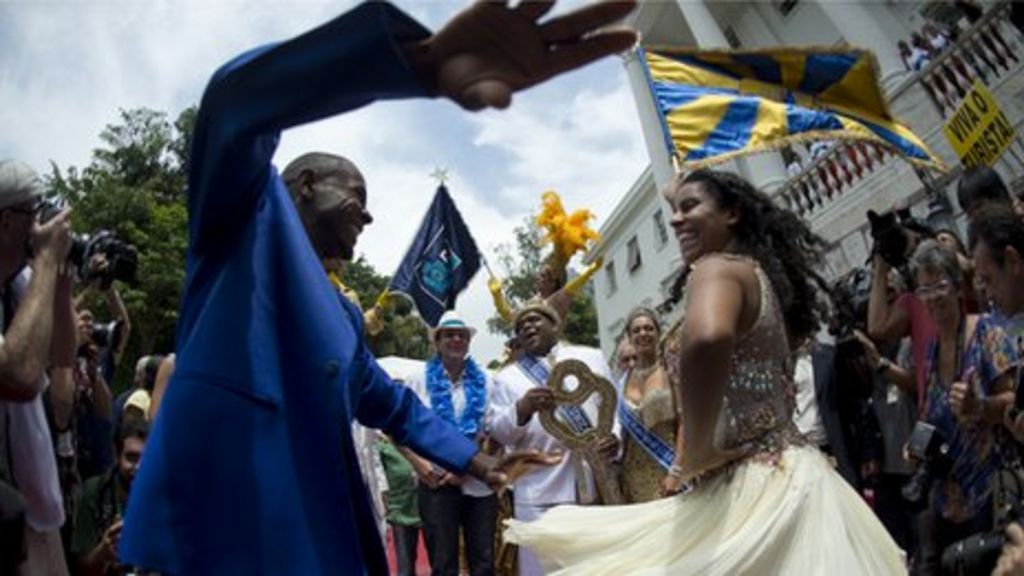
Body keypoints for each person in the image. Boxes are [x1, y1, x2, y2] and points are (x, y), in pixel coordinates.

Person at [118, 3, 636, 574]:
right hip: (215, 529)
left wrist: (477, 461)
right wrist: (418, 65)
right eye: (358, 197)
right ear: (306, 185)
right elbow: (234, 102)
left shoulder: (341, 314)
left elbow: (392, 405)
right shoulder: (241, 219)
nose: (366, 218)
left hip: (312, 542)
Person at [505, 169, 904, 574]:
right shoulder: (754, 274)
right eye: (672, 211)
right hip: (790, 473)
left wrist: (697, 449)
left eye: (690, 207)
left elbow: (707, 339)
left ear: (731, 213)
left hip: (755, 485)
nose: (676, 219)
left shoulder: (716, 269)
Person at [909, 240, 1017, 575]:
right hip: (952, 506)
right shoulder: (929, 352)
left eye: (940, 285)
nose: (933, 297)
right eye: (924, 289)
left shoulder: (987, 332)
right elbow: (929, 413)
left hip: (997, 496)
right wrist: (913, 447)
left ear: (957, 286)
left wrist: (980, 406)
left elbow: (1015, 404)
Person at [489, 299, 618, 576]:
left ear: (554, 324)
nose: (528, 327)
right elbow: (498, 430)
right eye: (521, 325)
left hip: (594, 486)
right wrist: (521, 409)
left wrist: (614, 438)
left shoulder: (591, 356)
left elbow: (614, 408)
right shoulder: (508, 378)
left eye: (535, 319)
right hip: (539, 494)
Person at [0, 160, 75, 576]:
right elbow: (19, 377)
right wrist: (46, 262)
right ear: (8, 221)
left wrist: (60, 282)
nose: (40, 227)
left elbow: (64, 355)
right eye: (35, 212)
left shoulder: (21, 285)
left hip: (35, 510)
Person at [401, 311, 498, 576]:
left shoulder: (487, 381)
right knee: (443, 565)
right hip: (435, 482)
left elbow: (494, 432)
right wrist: (420, 466)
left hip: (477, 482)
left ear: (468, 341)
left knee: (484, 562)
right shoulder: (417, 378)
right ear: (437, 341)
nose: (456, 339)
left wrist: (465, 468)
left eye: (462, 335)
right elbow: (399, 428)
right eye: (449, 335)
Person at [71, 419, 148, 576]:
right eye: (131, 457)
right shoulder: (95, 492)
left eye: (147, 459)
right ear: (117, 456)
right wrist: (103, 551)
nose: (139, 467)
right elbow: (81, 569)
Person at [616, 307, 675, 503]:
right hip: (633, 476)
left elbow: (688, 423)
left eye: (649, 328)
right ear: (629, 337)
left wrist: (678, 470)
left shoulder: (672, 369)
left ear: (658, 332)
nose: (643, 333)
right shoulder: (622, 382)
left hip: (670, 470)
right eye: (637, 330)